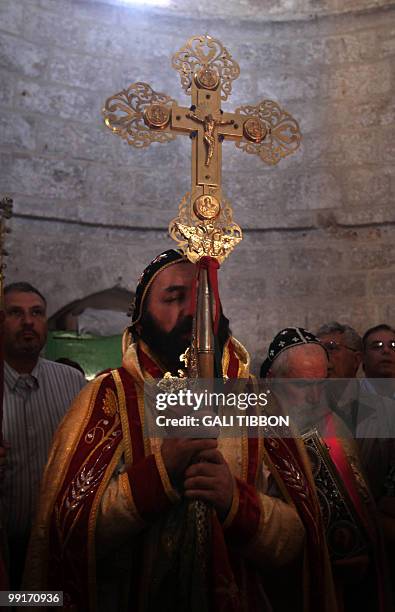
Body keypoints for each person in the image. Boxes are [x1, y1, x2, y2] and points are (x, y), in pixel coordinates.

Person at [25, 251, 336, 612]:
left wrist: (235, 502)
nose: (193, 311)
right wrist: (161, 473)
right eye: (173, 298)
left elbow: (300, 537)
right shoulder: (108, 397)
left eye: (203, 298)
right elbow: (68, 529)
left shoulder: (257, 402)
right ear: (140, 322)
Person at [260, 327, 391, 612]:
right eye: (303, 385)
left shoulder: (335, 424)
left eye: (323, 382)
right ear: (272, 380)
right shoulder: (257, 438)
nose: (315, 396)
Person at [2, 282, 86, 589]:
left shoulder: (71, 382)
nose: (28, 321)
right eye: (15, 313)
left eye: (36, 313)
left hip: (54, 547)